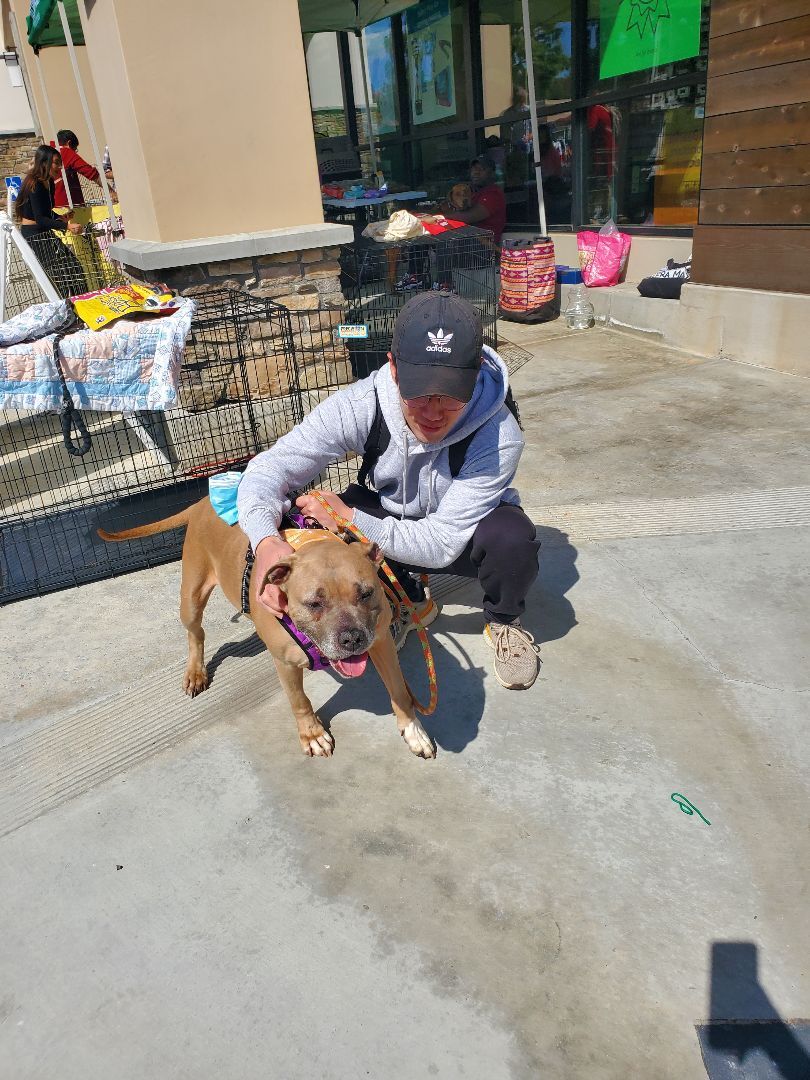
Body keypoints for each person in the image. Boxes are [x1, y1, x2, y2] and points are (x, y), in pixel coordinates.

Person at [237, 292, 542, 691]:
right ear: (394, 367)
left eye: (451, 394)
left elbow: (441, 543)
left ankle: (504, 621)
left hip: (463, 538)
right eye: (419, 393)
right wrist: (264, 543)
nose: (433, 412)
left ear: (477, 370)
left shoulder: (499, 434)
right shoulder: (361, 404)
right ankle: (402, 596)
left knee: (511, 540)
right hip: (389, 514)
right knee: (316, 524)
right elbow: (268, 471)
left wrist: (351, 521)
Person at [15, 145, 88, 299]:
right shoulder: (35, 185)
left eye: (60, 162)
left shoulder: (50, 183)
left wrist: (61, 218)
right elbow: (40, 219)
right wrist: (66, 226)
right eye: (56, 162)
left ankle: (80, 304)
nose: (59, 166)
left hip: (43, 231)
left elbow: (45, 213)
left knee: (74, 268)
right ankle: (66, 309)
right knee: (60, 275)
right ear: (44, 163)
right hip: (34, 235)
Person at [440, 156, 506, 243]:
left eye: (481, 169)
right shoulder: (472, 192)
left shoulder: (493, 194)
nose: (475, 172)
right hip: (465, 241)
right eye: (473, 169)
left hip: (484, 247)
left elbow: (468, 216)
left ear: (492, 173)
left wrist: (440, 217)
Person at [52, 129, 116, 208]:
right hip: (67, 205)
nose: (75, 152)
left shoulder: (49, 153)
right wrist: (111, 191)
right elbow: (90, 172)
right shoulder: (66, 152)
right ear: (69, 143)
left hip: (52, 206)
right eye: (75, 149)